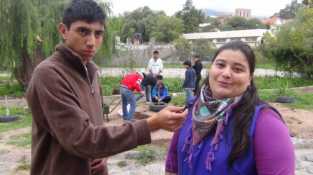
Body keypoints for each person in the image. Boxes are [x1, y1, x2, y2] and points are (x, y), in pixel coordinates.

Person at [25, 1, 187, 175]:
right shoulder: (49, 74)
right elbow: (82, 139)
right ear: (64, 31)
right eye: (83, 31)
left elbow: (95, 130)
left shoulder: (91, 71)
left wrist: (101, 157)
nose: (91, 42)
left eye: (98, 34)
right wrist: (151, 124)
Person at [165, 41, 295, 175]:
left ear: (250, 78)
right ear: (211, 69)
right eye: (220, 65)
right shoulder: (192, 110)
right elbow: (172, 165)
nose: (226, 73)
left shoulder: (266, 124)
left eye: (238, 69)